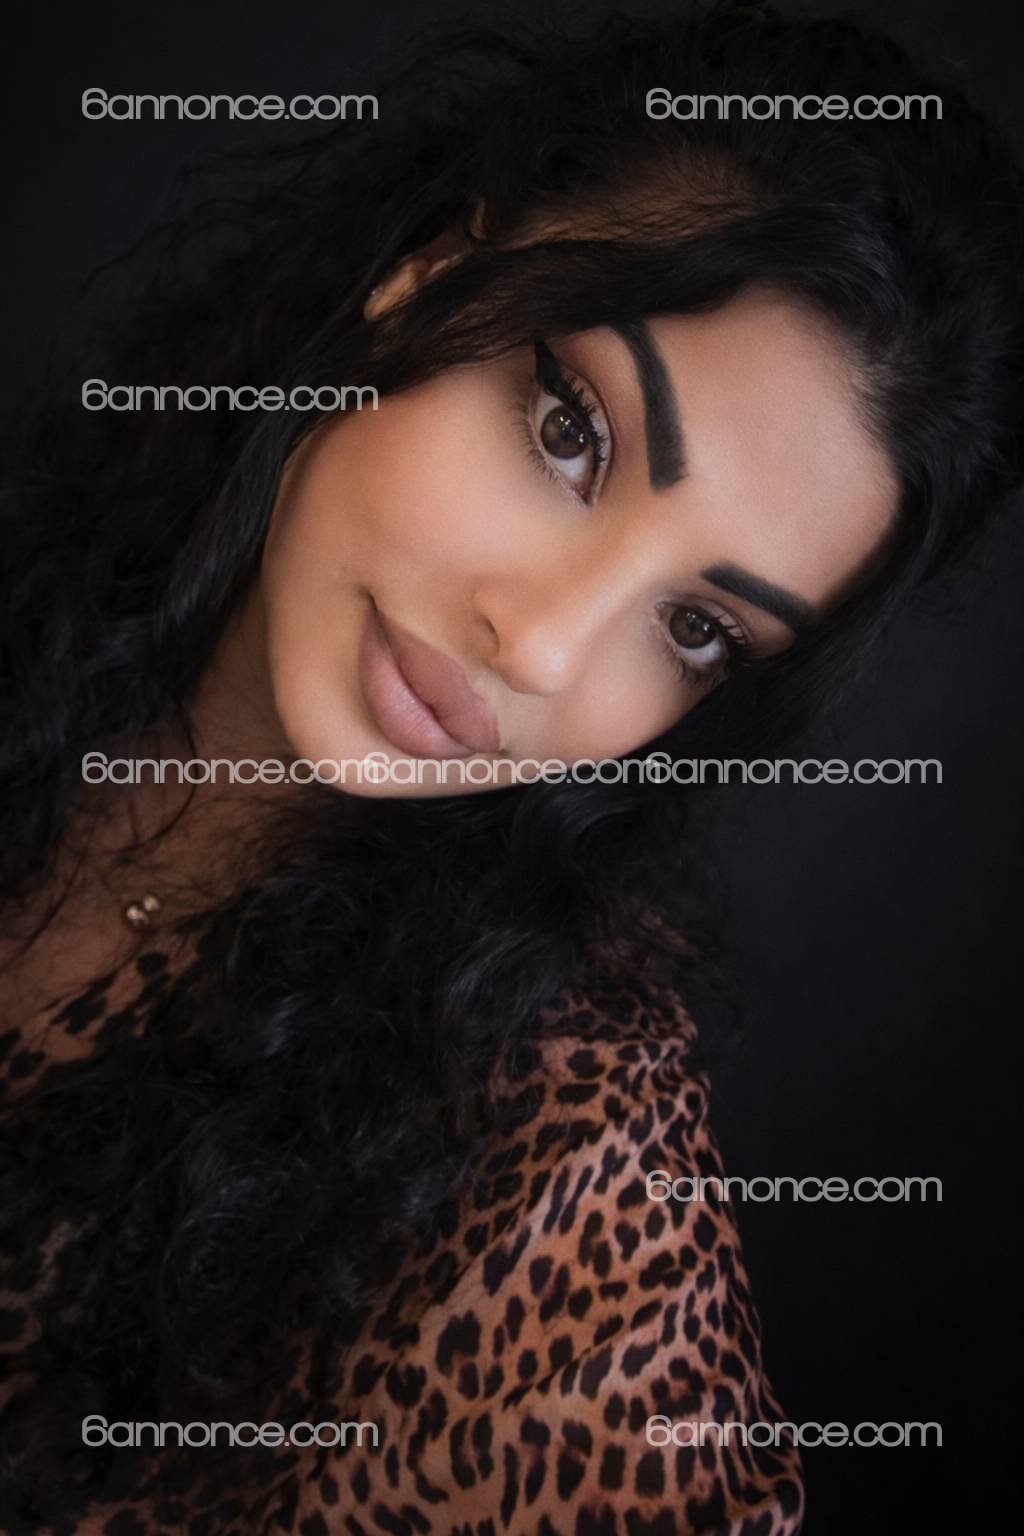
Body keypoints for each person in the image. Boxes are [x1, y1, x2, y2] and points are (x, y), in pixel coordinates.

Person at [2, 3, 1021, 1531]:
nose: (541, 650)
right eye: (569, 430)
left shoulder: (556, 1179)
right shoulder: (50, 603)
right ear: (432, 268)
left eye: (694, 629)